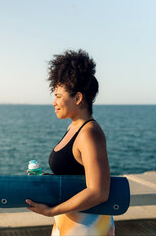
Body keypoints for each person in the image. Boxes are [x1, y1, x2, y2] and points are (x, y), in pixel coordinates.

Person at [26, 49, 115, 235]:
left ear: (78, 98)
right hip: (69, 223)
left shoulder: (89, 133)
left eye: (58, 96)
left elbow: (98, 191)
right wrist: (46, 178)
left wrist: (51, 212)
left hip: (88, 227)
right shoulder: (73, 128)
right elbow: (75, 175)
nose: (54, 102)